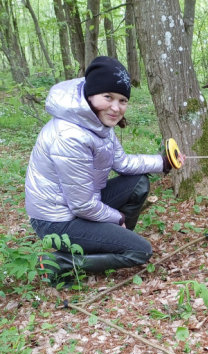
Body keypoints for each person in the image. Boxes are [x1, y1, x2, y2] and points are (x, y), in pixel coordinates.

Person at [25, 56, 184, 285]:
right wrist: (116, 216)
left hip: (77, 206)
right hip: (56, 222)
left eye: (122, 100)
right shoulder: (70, 136)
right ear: (91, 94)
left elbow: (123, 163)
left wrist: (164, 162)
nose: (116, 107)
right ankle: (57, 261)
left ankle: (115, 242)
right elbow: (81, 205)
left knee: (138, 183)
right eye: (108, 97)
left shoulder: (96, 121)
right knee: (140, 252)